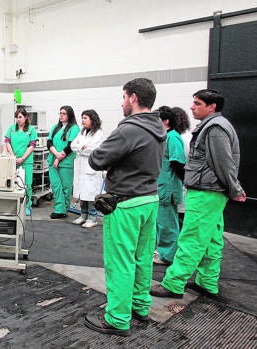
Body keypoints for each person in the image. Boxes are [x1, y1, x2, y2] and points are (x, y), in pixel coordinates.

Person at [84, 78, 166, 336]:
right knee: (143, 259)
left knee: (120, 262)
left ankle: (118, 318)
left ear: (133, 97)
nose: (121, 103)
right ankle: (139, 306)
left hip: (126, 204)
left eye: (123, 98)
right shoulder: (158, 128)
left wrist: (107, 158)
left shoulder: (129, 129)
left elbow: (97, 159)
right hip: (150, 200)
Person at [150, 89, 246, 299]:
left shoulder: (214, 128)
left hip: (205, 192)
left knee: (191, 237)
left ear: (211, 107)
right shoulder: (214, 127)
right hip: (211, 193)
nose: (191, 107)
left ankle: (173, 284)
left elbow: (223, 163)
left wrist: (235, 188)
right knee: (211, 239)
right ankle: (207, 281)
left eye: (197, 103)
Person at [153, 106, 186, 265]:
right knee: (161, 222)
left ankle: (168, 255)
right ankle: (162, 250)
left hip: (168, 187)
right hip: (161, 185)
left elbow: (178, 162)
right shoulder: (164, 136)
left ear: (165, 121)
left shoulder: (173, 137)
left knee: (168, 224)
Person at [70, 109, 105, 228]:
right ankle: (83, 215)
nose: (82, 121)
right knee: (82, 193)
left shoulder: (99, 133)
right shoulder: (82, 132)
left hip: (91, 167)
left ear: (92, 119)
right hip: (81, 166)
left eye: (85, 118)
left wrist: (82, 148)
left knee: (90, 194)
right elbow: (73, 145)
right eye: (82, 118)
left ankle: (93, 217)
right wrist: (82, 147)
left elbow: (93, 148)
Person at [47, 106, 79, 219]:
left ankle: (63, 210)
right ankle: (59, 209)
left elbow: (70, 146)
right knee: (56, 186)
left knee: (66, 187)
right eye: (60, 113)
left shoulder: (74, 128)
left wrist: (59, 158)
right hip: (53, 161)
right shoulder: (55, 127)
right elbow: (49, 143)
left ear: (69, 115)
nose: (61, 115)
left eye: (64, 113)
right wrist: (56, 155)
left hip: (66, 162)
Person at [5, 108, 38, 216]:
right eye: (17, 117)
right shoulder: (11, 129)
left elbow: (32, 145)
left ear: (26, 117)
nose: (18, 119)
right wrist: (13, 156)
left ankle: (27, 206)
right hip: (13, 161)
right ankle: (14, 206)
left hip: (26, 161)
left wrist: (23, 158)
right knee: (13, 184)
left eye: (20, 117)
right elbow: (7, 142)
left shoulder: (31, 130)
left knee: (27, 184)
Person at [172, 106, 191, 228]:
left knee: (177, 224)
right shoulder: (190, 136)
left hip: (179, 186)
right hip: (187, 187)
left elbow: (177, 164)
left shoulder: (178, 139)